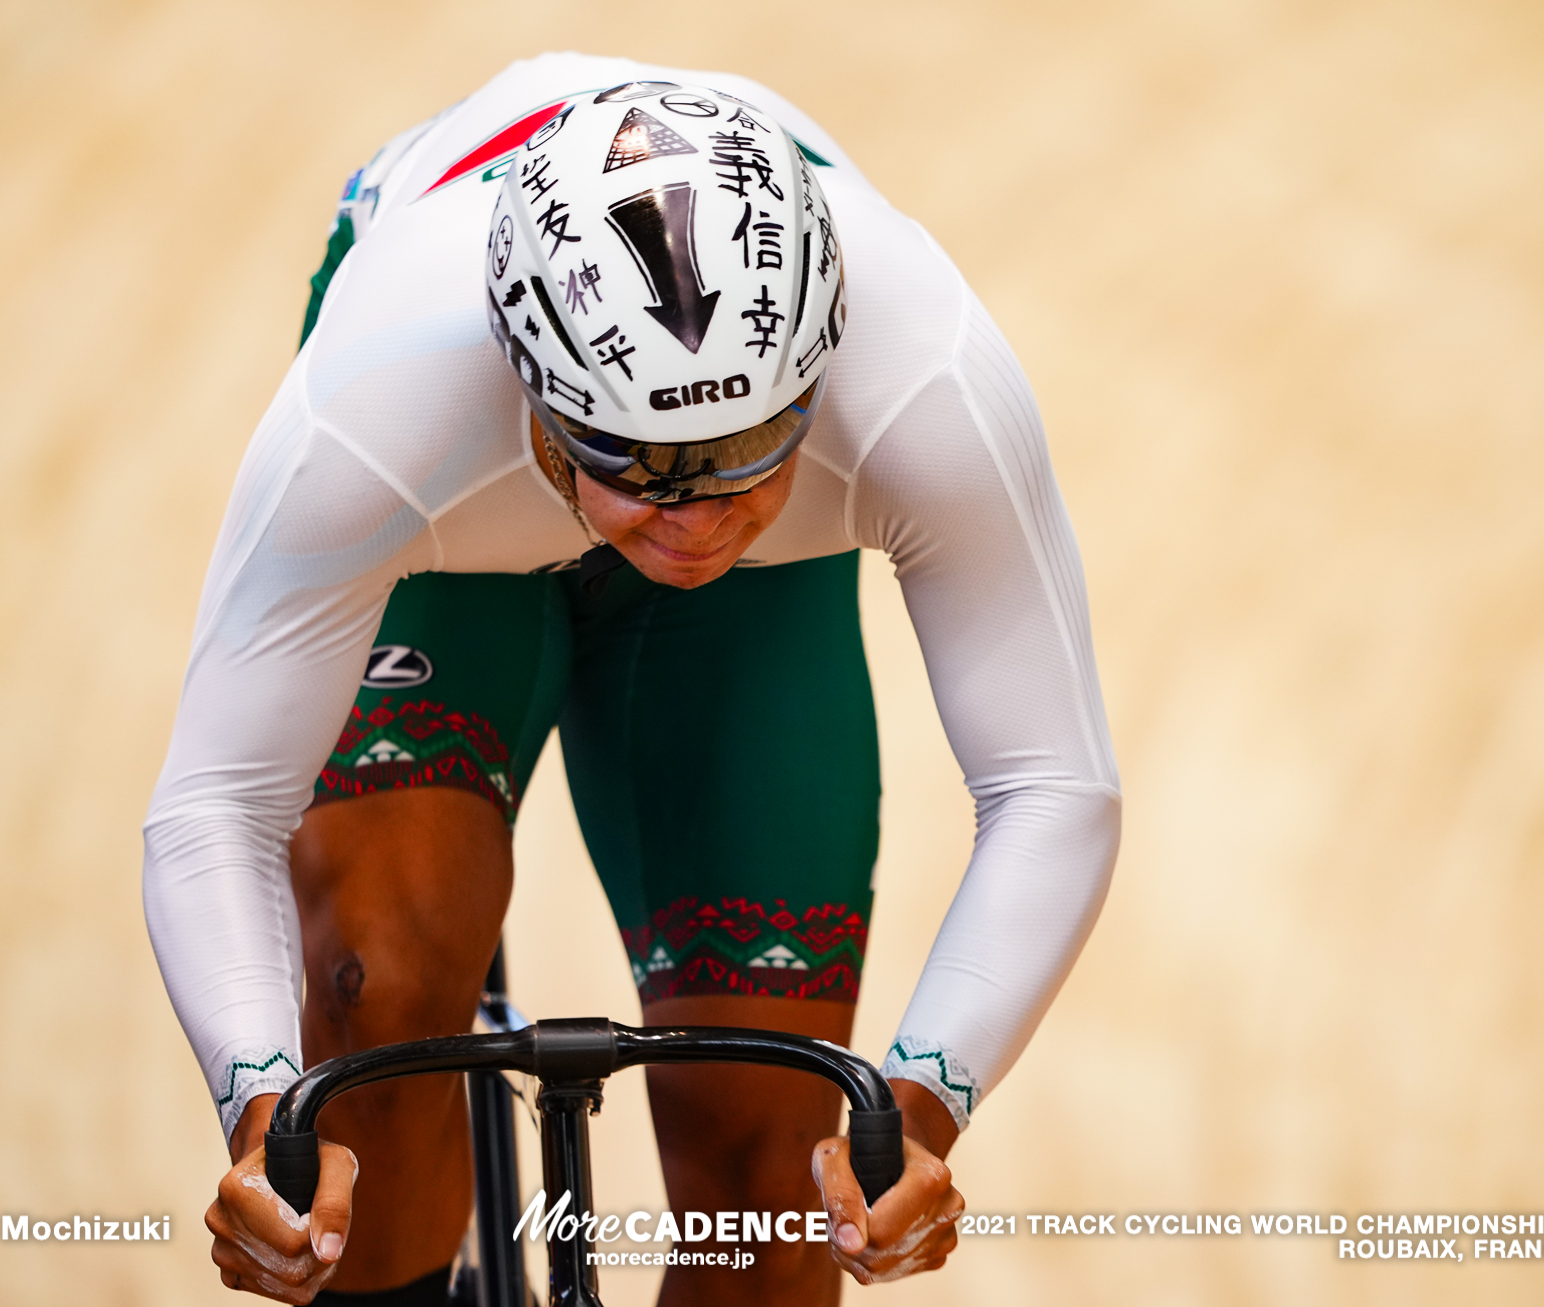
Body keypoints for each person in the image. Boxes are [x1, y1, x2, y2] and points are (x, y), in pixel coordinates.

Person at [143, 53, 1120, 1306]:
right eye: (639, 467)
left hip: (697, 554)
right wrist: (265, 1115)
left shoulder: (923, 372)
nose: (697, 523)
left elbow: (1055, 786)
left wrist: (920, 1111)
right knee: (372, 991)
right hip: (461, 522)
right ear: (533, 399)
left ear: (818, 373)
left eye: (747, 463)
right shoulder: (380, 398)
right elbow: (214, 801)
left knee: (781, 1178)